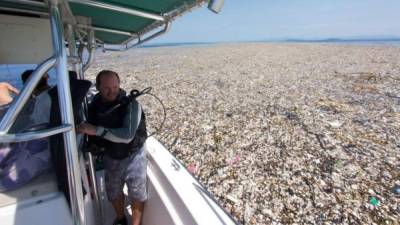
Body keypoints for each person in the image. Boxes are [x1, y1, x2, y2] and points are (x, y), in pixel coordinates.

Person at [77, 70, 148, 225]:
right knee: (113, 191)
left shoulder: (132, 105)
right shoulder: (94, 105)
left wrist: (95, 130)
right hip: (111, 154)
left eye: (115, 87)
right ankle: (121, 219)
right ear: (98, 87)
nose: (112, 91)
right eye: (107, 88)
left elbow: (128, 135)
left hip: (133, 153)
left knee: (137, 191)